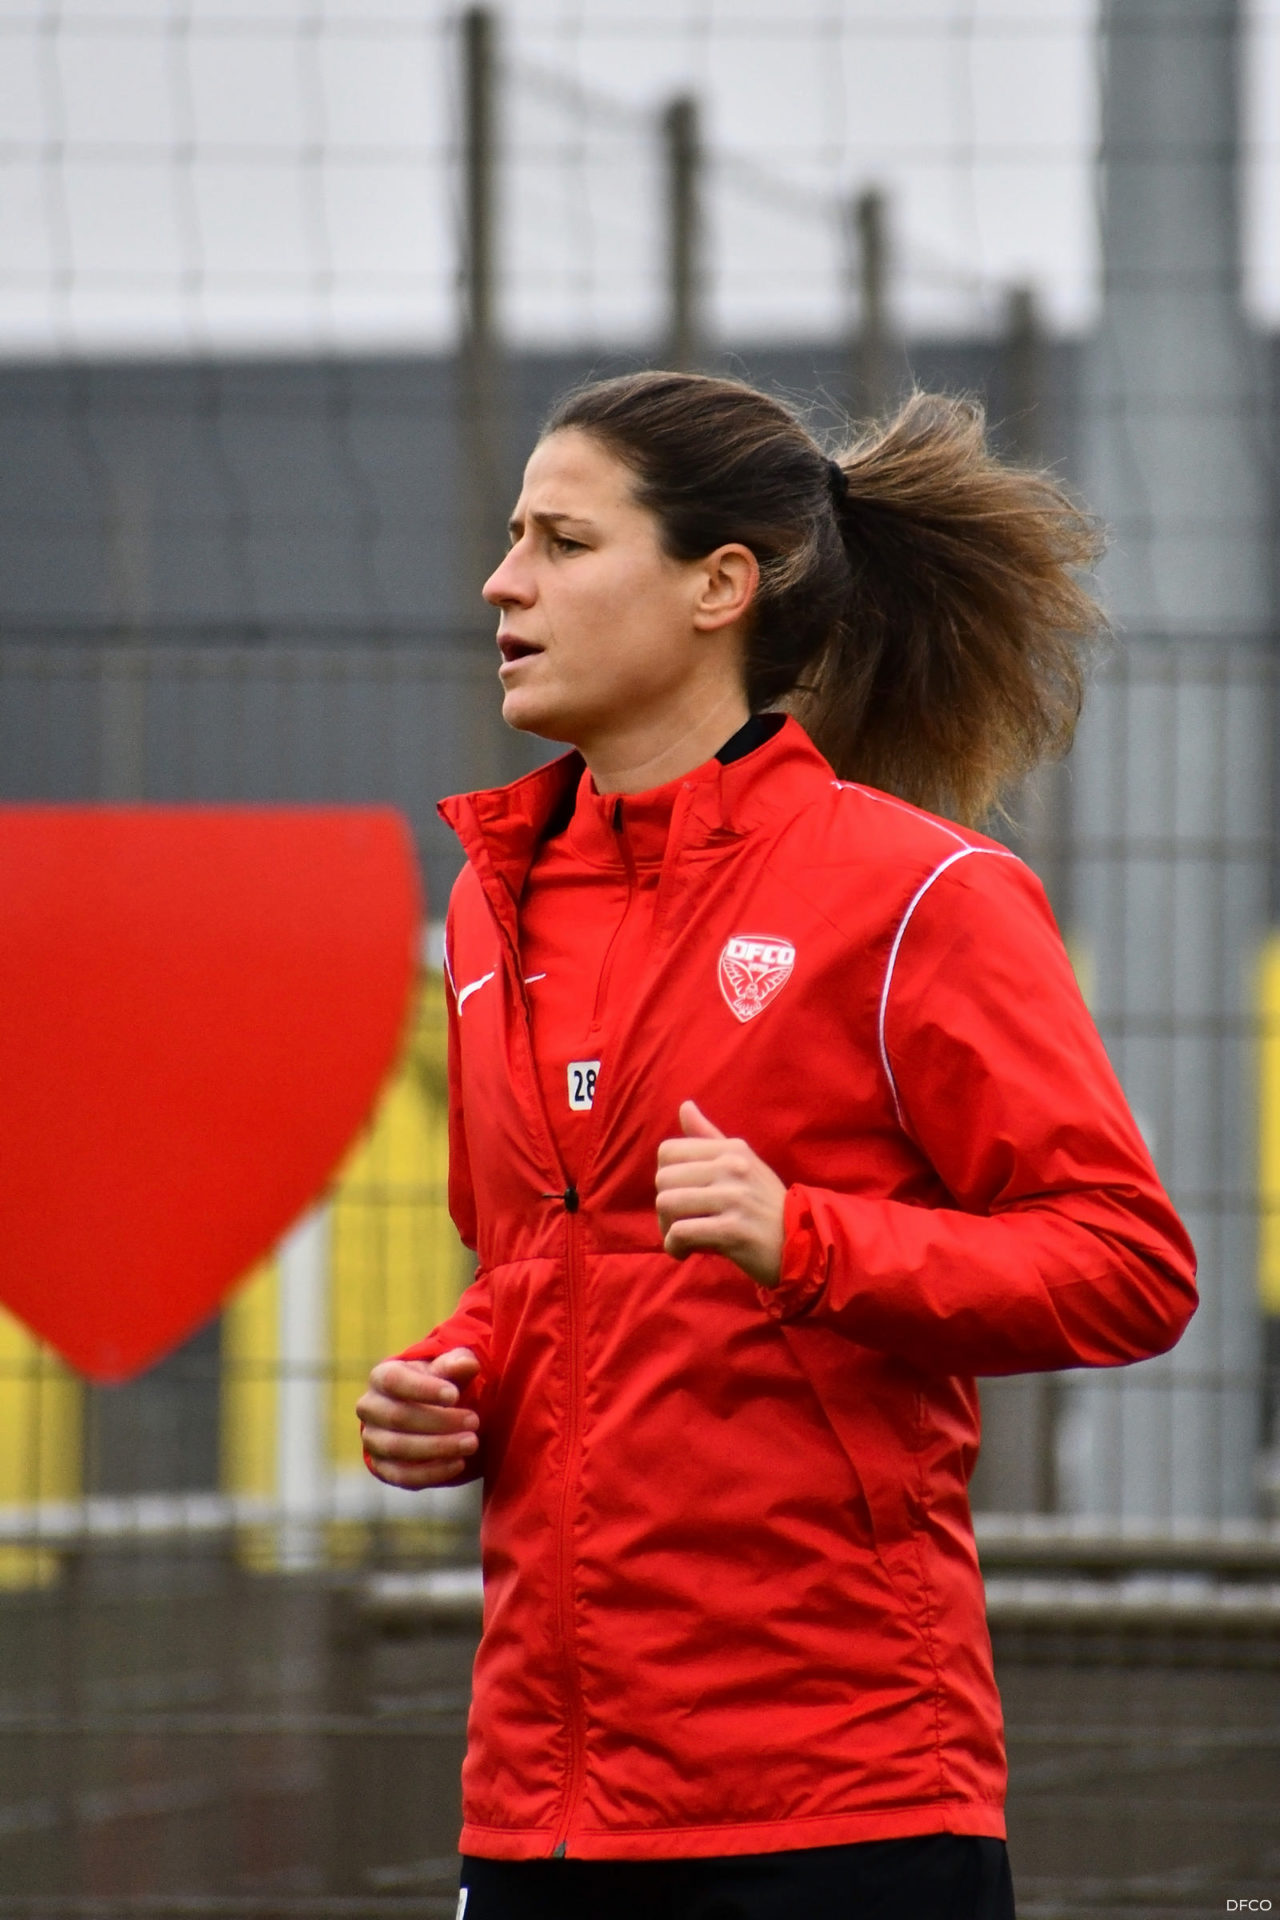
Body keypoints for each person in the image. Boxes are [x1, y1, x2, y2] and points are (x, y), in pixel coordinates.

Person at [357, 372, 1197, 1920]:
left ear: (719, 586)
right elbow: (547, 1264)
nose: (502, 581)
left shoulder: (920, 894)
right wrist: (449, 1377)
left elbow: (1127, 1267)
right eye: (514, 537)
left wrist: (807, 1238)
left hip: (840, 1795)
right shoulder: (489, 904)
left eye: (562, 541)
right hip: (540, 1805)